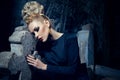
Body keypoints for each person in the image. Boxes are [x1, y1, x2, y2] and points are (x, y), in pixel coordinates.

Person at [22, 2, 89, 80]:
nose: (36, 35)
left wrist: (44, 66)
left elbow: (73, 70)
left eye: (37, 29)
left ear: (47, 23)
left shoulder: (70, 39)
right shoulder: (41, 45)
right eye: (33, 33)